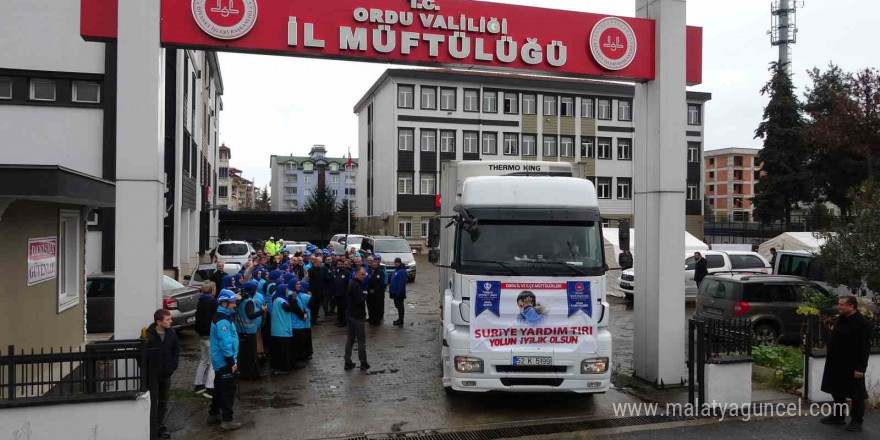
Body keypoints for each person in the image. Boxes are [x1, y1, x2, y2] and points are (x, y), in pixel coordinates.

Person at [820, 295, 872, 432]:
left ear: (852, 306)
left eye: (842, 305)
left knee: (856, 394)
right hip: (837, 362)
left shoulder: (862, 323)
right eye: (839, 304)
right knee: (836, 389)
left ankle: (856, 420)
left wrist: (860, 368)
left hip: (853, 364)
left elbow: (864, 348)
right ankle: (838, 416)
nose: (839, 307)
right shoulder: (842, 318)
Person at [209, 290, 241, 431]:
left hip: (221, 361)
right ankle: (227, 420)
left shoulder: (224, 316)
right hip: (224, 362)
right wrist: (231, 362)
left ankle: (214, 414)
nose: (235, 305)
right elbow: (225, 343)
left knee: (219, 388)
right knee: (228, 390)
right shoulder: (223, 320)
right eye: (232, 302)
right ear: (224, 303)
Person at [145, 309, 179, 439]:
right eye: (168, 319)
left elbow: (176, 350)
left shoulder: (171, 333)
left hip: (167, 373)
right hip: (153, 375)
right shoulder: (148, 335)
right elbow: (142, 356)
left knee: (163, 401)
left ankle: (160, 425)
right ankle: (152, 427)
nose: (171, 321)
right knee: (153, 402)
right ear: (159, 321)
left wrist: (173, 366)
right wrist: (150, 369)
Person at [236, 280, 266, 380]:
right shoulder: (248, 301)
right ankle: (251, 374)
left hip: (240, 330)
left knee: (243, 354)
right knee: (251, 355)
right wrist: (262, 311)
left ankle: (244, 372)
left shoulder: (240, 299)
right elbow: (251, 315)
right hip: (249, 331)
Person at [193, 281, 217, 399]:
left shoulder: (201, 300)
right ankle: (209, 388)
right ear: (212, 290)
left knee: (204, 360)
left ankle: (198, 385)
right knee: (213, 362)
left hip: (202, 335)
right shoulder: (212, 302)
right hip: (209, 335)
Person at [270, 285, 300, 375]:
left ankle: (276, 368)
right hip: (282, 330)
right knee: (283, 351)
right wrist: (294, 299)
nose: (287, 291)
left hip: (276, 330)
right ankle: (283, 369)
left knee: (277, 351)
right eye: (286, 289)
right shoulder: (281, 301)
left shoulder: (276, 299)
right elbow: (289, 309)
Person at [345, 267, 370, 370]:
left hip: (351, 315)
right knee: (360, 340)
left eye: (365, 274)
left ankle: (347, 361)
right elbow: (359, 300)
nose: (364, 276)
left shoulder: (353, 283)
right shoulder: (356, 285)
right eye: (363, 274)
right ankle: (363, 362)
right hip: (357, 317)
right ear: (357, 274)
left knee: (350, 339)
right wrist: (365, 295)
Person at [291, 280, 313, 368]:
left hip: (300, 322)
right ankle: (306, 354)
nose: (299, 286)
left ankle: (304, 354)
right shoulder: (304, 296)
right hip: (302, 321)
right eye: (297, 284)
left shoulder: (297, 295)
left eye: (299, 284)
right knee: (304, 339)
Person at [367, 255, 387, 325]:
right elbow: (367, 281)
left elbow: (381, 283)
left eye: (375, 265)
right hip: (370, 293)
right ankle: (371, 319)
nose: (374, 266)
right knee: (371, 306)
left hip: (378, 293)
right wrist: (369, 289)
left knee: (378, 307)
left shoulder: (380, 272)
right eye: (373, 264)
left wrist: (374, 290)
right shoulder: (369, 272)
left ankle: (378, 320)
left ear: (377, 265)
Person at [388, 258, 408, 326]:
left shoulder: (402, 271)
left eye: (398, 262)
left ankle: (401, 320)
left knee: (400, 306)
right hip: (394, 292)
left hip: (399, 293)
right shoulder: (395, 270)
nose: (396, 263)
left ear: (400, 263)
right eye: (395, 262)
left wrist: (398, 293)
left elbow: (401, 283)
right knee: (398, 306)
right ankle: (399, 319)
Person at [307, 257, 326, 324]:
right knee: (313, 307)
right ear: (316, 262)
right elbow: (310, 282)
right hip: (313, 292)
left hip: (319, 291)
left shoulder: (320, 270)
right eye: (320, 262)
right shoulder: (311, 270)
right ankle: (311, 320)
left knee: (317, 307)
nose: (321, 264)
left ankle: (314, 320)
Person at [334, 259, 351, 327]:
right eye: (338, 264)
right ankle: (340, 320)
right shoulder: (335, 272)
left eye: (341, 264)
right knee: (339, 308)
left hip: (344, 294)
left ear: (343, 265)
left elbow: (348, 283)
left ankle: (344, 322)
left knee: (344, 309)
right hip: (337, 294)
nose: (339, 265)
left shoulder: (347, 272)